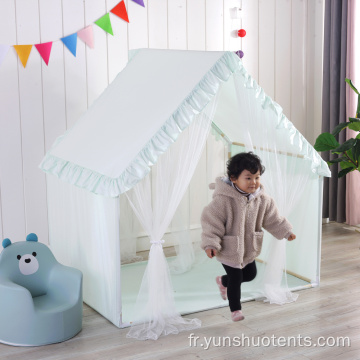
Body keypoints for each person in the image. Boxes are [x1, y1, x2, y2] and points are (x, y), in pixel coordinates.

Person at [201, 152, 296, 322]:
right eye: (248, 178)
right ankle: (235, 310)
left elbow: (272, 218)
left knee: (250, 274)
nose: (254, 182)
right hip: (229, 247)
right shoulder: (223, 200)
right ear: (234, 179)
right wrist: (210, 244)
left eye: (257, 177)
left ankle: (223, 281)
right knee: (236, 278)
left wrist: (286, 231)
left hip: (249, 248)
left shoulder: (263, 200)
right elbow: (211, 222)